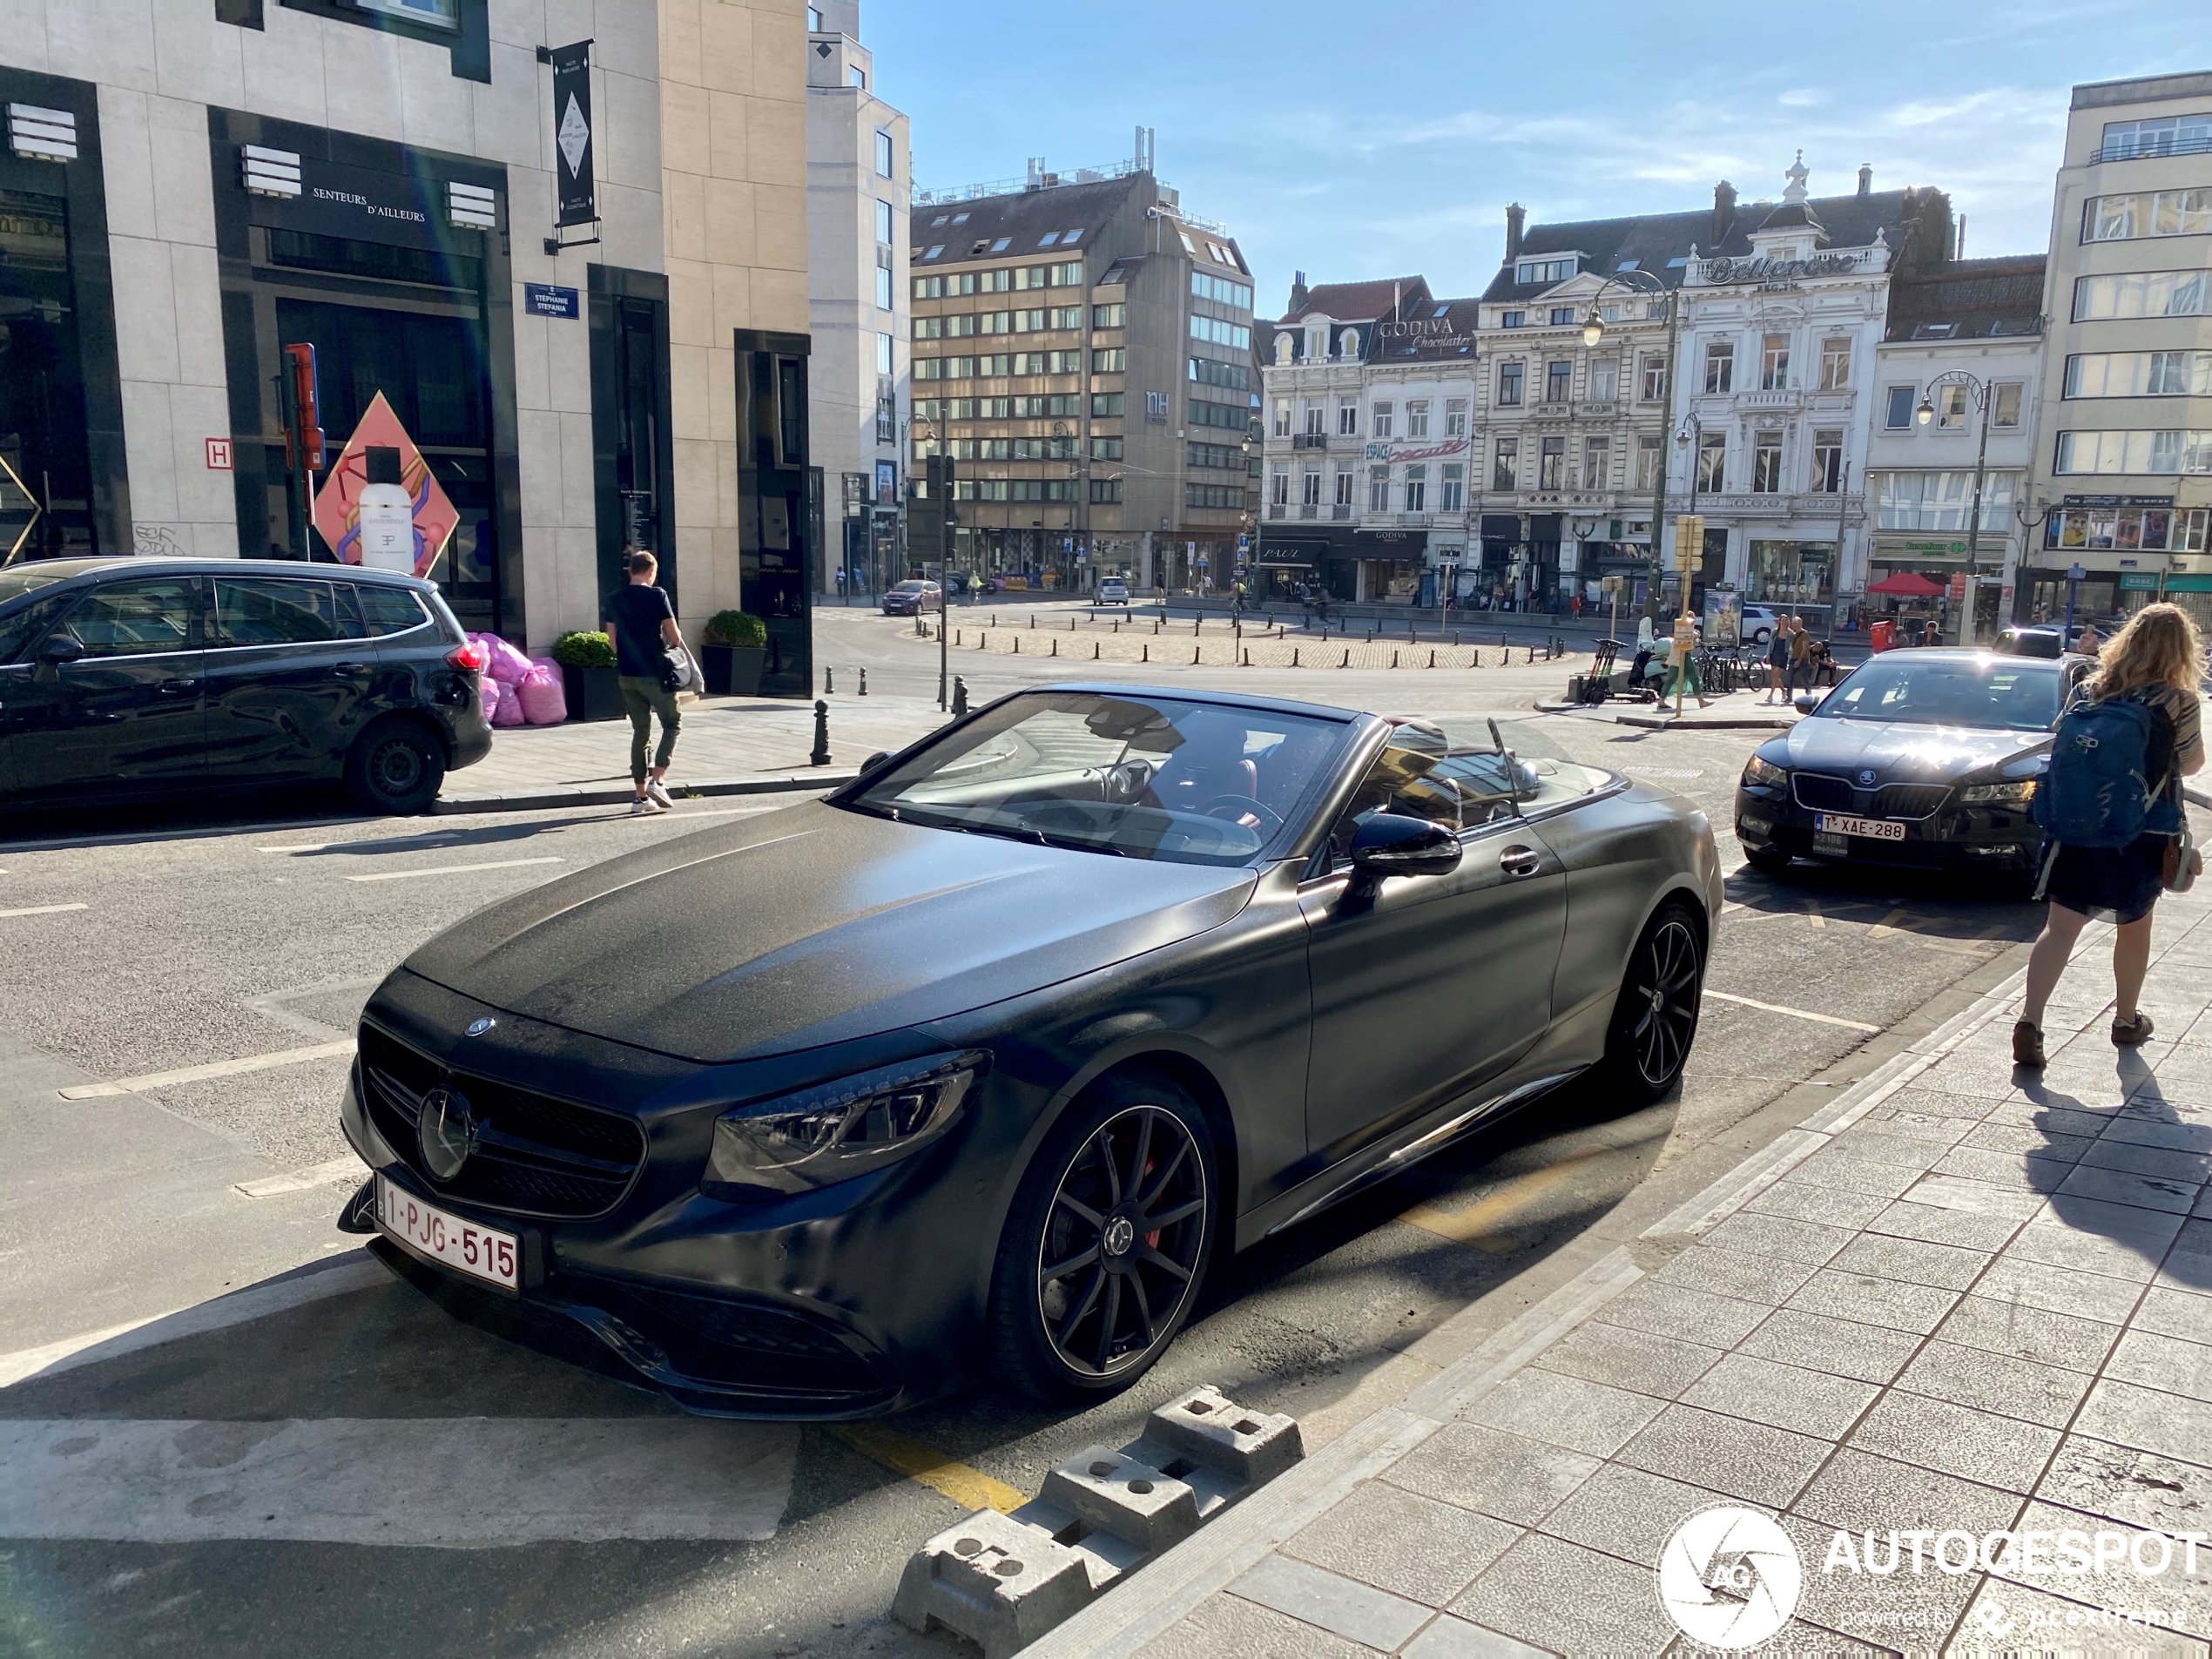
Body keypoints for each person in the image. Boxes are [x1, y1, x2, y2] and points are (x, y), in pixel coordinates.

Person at [2014, 603, 2206, 1066]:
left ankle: (2031, 1021)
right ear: (2182, 650)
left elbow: (2062, 743)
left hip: (2074, 825)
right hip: (2140, 830)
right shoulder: (2178, 701)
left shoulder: (2090, 689)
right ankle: (2125, 1020)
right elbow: (2193, 764)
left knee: (2060, 928)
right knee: (2134, 926)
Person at [604, 548, 688, 816]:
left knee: (641, 731)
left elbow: (613, 642)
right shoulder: (657, 595)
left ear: (630, 571)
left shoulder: (614, 598)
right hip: (655, 674)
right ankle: (658, 781)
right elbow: (674, 638)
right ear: (651, 572)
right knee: (672, 723)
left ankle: (640, 798)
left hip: (627, 675)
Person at [1763, 615, 1793, 704]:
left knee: (1776, 674)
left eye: (1785, 620)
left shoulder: (1790, 633)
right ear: (1779, 622)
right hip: (1774, 654)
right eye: (1782, 620)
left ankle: (1771, 695)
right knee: (1774, 676)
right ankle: (1784, 691)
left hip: (1784, 655)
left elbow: (1792, 646)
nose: (1784, 622)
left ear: (1788, 622)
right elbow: (1770, 644)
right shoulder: (1774, 632)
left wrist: (1790, 657)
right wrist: (1768, 655)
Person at [1788, 615, 1814, 695]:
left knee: (1805, 678)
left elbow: (1805, 648)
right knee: (1789, 679)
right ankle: (1789, 696)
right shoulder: (1793, 634)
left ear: (1800, 624)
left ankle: (1809, 694)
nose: (1793, 625)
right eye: (1792, 623)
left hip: (1802, 660)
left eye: (1795, 623)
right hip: (1793, 658)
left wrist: (1799, 660)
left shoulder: (1805, 634)